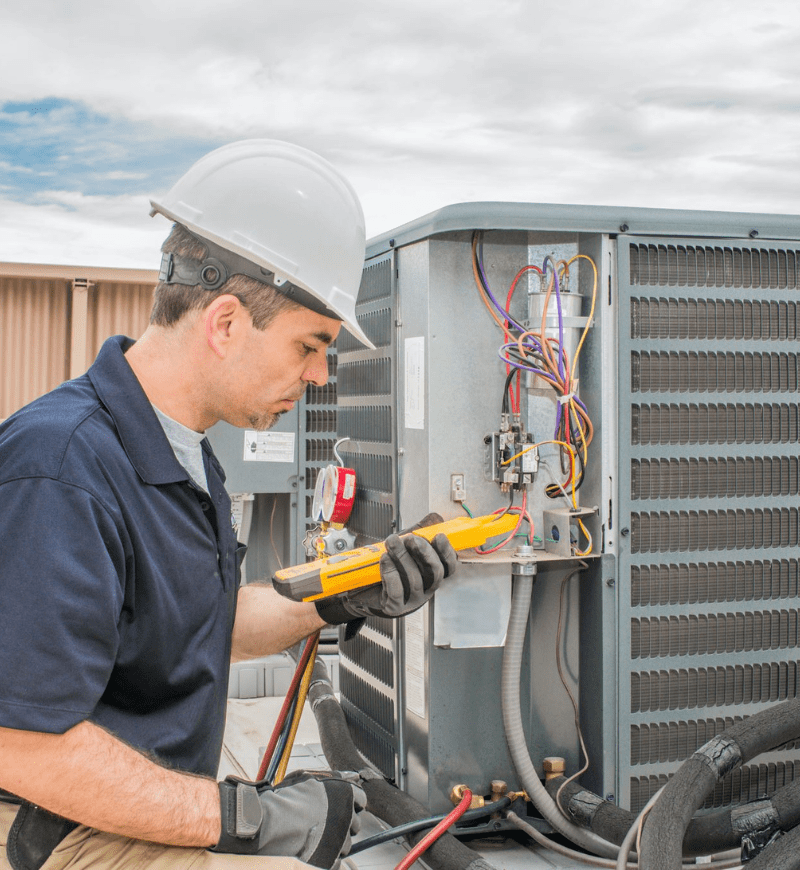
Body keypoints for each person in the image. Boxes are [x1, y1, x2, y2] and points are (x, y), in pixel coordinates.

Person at [0, 140, 458, 870]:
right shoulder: (59, 468)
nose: (318, 376)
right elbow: (21, 744)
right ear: (224, 323)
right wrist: (249, 819)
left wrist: (349, 591)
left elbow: (204, 627)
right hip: (65, 833)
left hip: (140, 808)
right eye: (311, 346)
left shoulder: (185, 454)